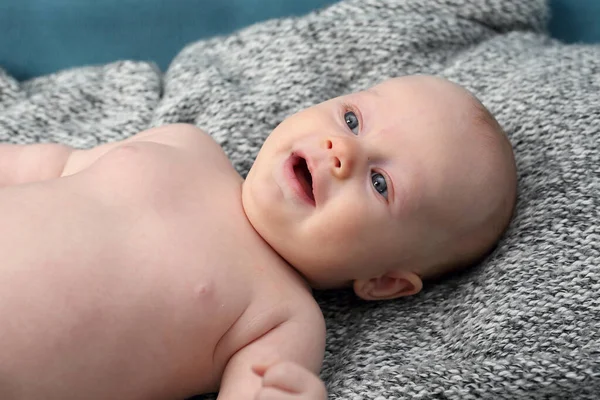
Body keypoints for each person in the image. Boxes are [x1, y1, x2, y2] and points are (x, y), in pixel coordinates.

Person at [0, 75, 516, 400]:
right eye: (353, 119)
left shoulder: (282, 319)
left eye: (380, 183)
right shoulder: (186, 143)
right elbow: (45, 164)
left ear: (383, 282)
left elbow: (257, 386)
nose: (342, 150)